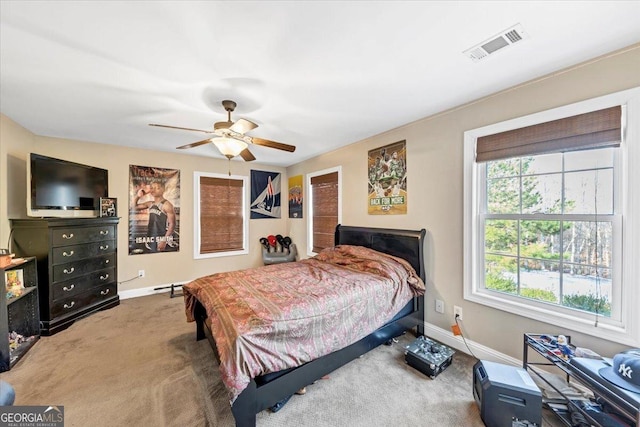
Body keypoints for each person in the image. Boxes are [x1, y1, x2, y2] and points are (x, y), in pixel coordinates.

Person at [133, 180, 176, 252]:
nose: (153, 190)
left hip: (162, 238)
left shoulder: (167, 205)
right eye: (152, 188)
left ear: (163, 190)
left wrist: (164, 240)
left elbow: (172, 224)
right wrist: (138, 196)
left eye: (157, 188)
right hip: (151, 237)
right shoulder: (150, 203)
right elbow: (134, 207)